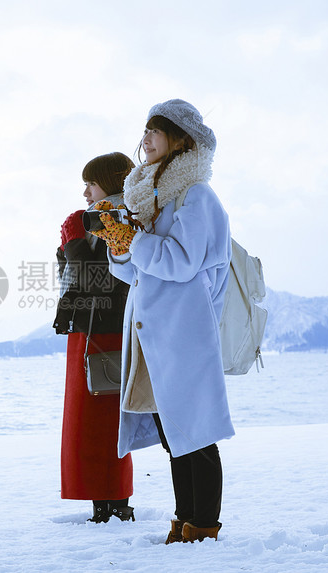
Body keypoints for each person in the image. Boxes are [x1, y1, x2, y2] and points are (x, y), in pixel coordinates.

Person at [91, 99, 234, 543]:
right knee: (174, 428)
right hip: (153, 329)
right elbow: (137, 272)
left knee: (195, 429)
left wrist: (134, 240)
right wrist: (119, 245)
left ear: (181, 140)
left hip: (185, 329)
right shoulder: (150, 194)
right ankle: (185, 518)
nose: (146, 139)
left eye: (157, 131)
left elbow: (181, 261)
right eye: (146, 131)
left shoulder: (197, 195)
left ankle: (203, 524)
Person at [53, 152, 135, 523]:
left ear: (111, 182)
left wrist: (72, 241)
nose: (85, 191)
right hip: (88, 330)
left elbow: (96, 281)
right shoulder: (96, 218)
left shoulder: (118, 218)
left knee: (101, 423)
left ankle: (114, 505)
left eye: (91, 182)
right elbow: (72, 278)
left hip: (105, 331)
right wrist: (66, 248)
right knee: (87, 425)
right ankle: (104, 503)